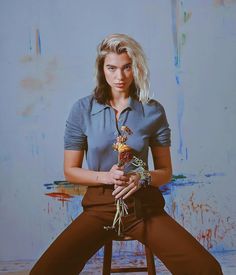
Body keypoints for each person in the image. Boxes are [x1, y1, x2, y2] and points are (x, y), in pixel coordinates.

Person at [30, 33, 223, 275]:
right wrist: (106, 178)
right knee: (44, 272)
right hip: (99, 207)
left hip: (143, 207)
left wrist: (140, 178)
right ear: (102, 69)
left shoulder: (153, 110)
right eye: (111, 68)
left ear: (136, 68)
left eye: (127, 67)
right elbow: (70, 170)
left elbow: (166, 172)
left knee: (206, 269)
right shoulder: (82, 109)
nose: (119, 76)